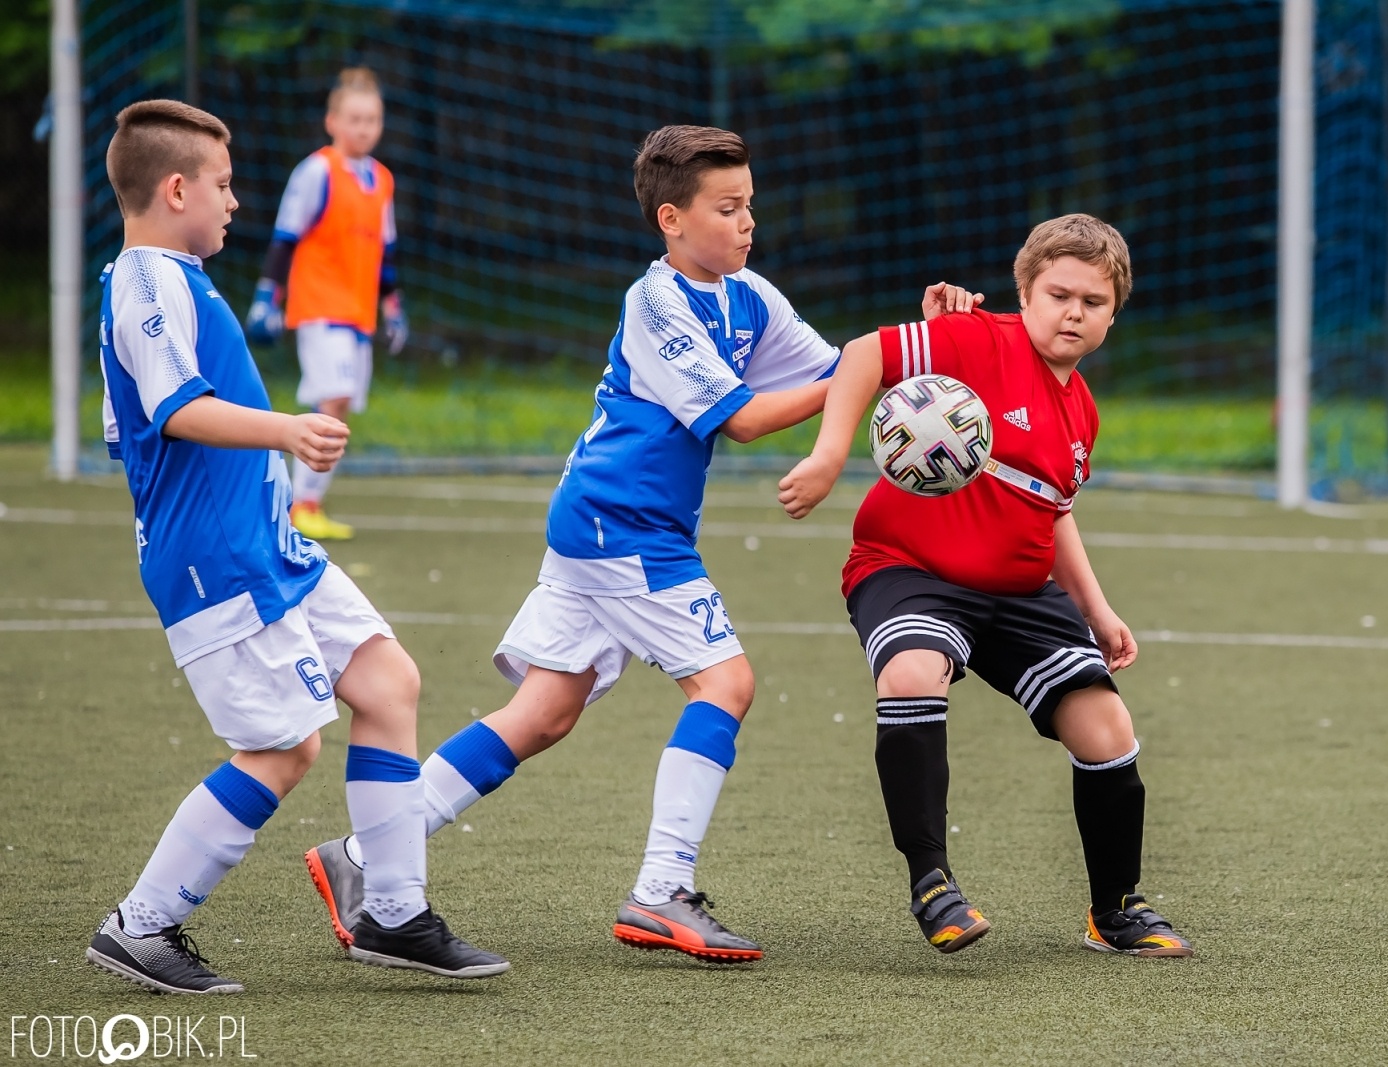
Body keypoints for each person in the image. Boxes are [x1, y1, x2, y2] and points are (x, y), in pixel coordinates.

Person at [304, 124, 979, 963]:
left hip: (604, 522)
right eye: (727, 208)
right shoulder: (656, 304)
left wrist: (924, 340)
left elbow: (837, 369)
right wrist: (854, 385)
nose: (747, 222)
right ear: (671, 218)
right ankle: (662, 890)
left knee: (542, 712)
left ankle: (364, 853)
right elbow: (743, 417)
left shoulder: (749, 295)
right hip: (621, 526)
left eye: (750, 205)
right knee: (726, 683)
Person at [88, 99, 505, 995]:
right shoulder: (146, 279)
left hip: (265, 543)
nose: (235, 201)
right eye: (224, 184)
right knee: (284, 748)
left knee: (388, 681)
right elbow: (174, 411)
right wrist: (286, 429)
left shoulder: (175, 277)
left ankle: (392, 911)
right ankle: (141, 923)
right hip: (216, 557)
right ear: (175, 190)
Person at [776, 214, 1194, 958]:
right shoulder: (978, 339)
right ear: (1024, 293)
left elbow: (1052, 511)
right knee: (912, 671)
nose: (1073, 312)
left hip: (1019, 591)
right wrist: (830, 454)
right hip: (910, 569)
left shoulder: (1081, 410)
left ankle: (1114, 909)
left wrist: (1097, 610)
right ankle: (931, 881)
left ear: (1113, 314)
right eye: (1058, 294)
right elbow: (866, 354)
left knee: (1106, 729)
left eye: (1093, 302)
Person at [245, 66, 407, 542]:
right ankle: (298, 506)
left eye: (371, 119)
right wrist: (266, 296)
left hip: (358, 313)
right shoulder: (317, 171)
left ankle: (305, 503)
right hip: (319, 307)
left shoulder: (382, 180)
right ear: (332, 121)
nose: (364, 128)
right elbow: (285, 237)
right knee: (331, 399)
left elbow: (386, 253)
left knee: (340, 407)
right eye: (354, 119)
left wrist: (393, 307)